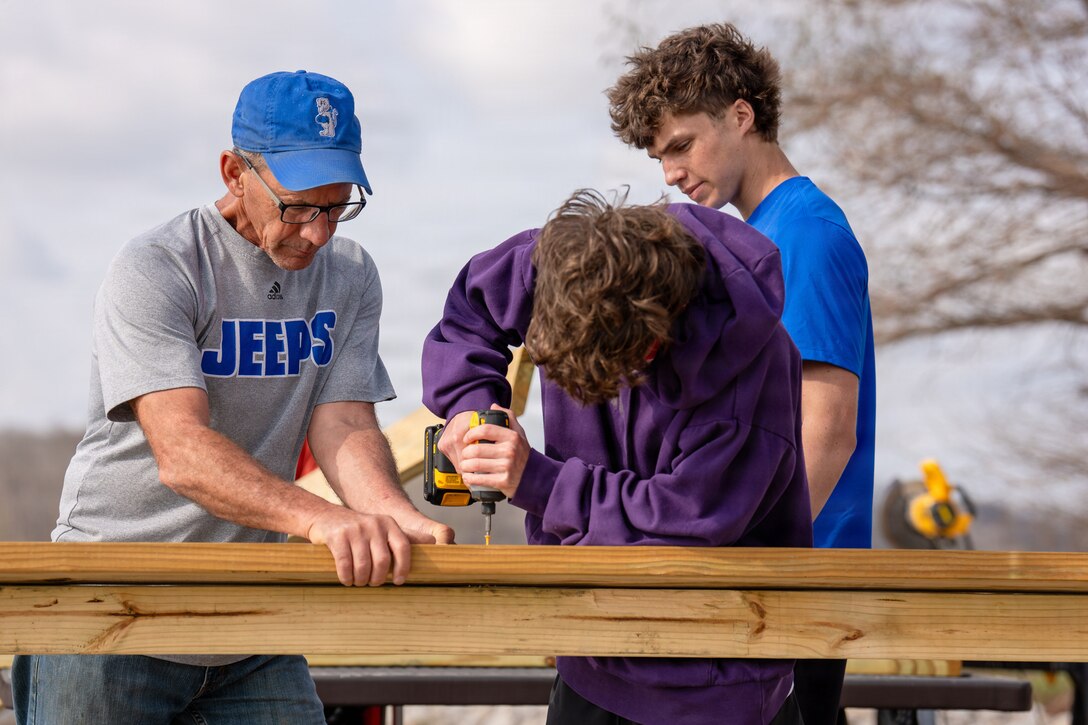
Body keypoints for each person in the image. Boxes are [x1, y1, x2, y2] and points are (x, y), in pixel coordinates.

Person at [13, 70, 453, 724]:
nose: (318, 233)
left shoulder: (352, 276)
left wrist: (394, 516)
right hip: (108, 606)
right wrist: (321, 519)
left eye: (337, 206)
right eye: (299, 206)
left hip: (247, 611)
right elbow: (183, 452)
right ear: (232, 172)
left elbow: (344, 423)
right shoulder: (159, 267)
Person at [422, 189, 811, 725]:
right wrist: (468, 408)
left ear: (652, 344)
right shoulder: (565, 263)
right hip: (587, 649)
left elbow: (689, 520)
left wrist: (537, 481)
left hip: (711, 677)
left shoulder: (749, 378)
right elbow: (472, 311)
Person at [607, 23, 876, 724]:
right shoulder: (749, 238)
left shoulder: (806, 233)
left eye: (680, 145)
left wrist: (733, 564)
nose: (668, 172)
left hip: (789, 586)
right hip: (751, 581)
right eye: (658, 155)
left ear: (741, 115)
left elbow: (827, 430)